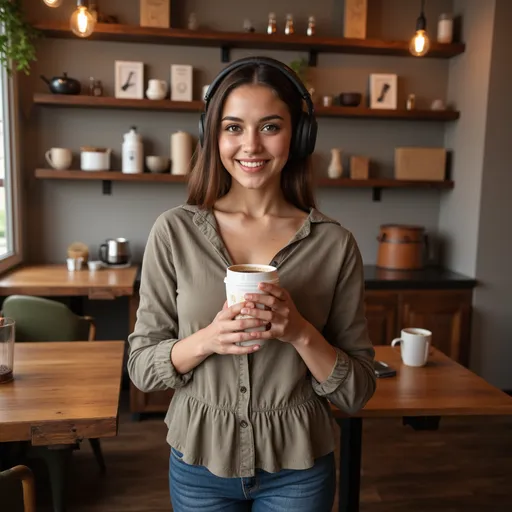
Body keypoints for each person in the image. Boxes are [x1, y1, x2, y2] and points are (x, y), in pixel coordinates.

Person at [128, 56, 376, 512]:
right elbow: (141, 366)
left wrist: (300, 332)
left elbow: (356, 390)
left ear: (298, 135)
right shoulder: (174, 231)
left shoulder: (334, 244)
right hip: (198, 466)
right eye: (233, 127)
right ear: (213, 135)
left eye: (269, 126)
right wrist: (207, 339)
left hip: (298, 471)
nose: (251, 145)